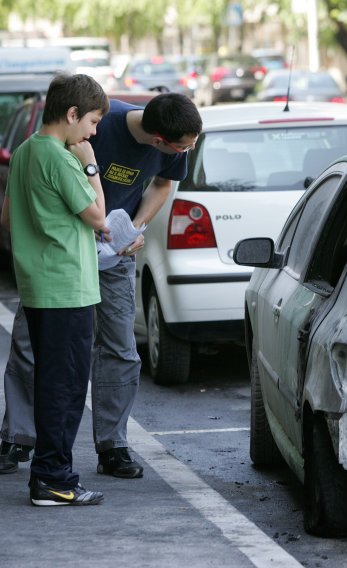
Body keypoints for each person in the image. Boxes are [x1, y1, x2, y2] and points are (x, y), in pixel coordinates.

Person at [0, 91, 203, 479]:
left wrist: (136, 228)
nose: (187, 152)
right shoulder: (96, 125)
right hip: (62, 254)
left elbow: (162, 185)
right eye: (184, 148)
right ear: (161, 141)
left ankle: (113, 445)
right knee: (32, 343)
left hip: (115, 258)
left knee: (120, 348)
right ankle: (17, 437)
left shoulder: (175, 143)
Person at [1, 74, 109, 505]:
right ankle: (54, 479)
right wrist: (90, 163)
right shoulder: (62, 158)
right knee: (64, 388)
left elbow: (8, 217)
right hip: (68, 288)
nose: (93, 132)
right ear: (71, 114)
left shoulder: (26, 150)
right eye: (93, 122)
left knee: (50, 382)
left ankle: (50, 475)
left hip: (37, 285)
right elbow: (99, 216)